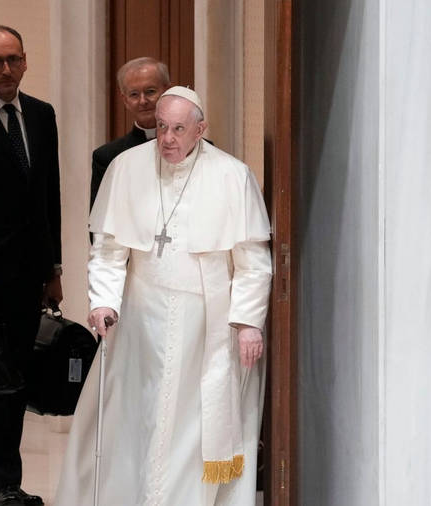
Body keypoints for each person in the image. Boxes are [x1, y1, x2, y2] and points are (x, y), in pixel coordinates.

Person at [55, 87, 272, 506]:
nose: (167, 139)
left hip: (207, 324)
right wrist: (103, 301)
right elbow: (109, 249)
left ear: (200, 130)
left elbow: (252, 261)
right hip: (139, 319)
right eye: (161, 127)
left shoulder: (232, 175)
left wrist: (248, 323)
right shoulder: (126, 167)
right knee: (137, 419)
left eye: (178, 129)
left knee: (193, 423)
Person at [0, 24, 62, 506]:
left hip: (30, 275)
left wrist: (54, 270)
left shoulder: (41, 115)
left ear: (25, 61)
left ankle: (7, 483)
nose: (6, 70)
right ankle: (0, 483)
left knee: (19, 380)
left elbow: (49, 198)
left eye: (13, 60)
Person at [90, 57, 171, 208]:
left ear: (166, 91)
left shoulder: (196, 148)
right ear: (125, 100)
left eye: (150, 91)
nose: (143, 101)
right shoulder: (108, 157)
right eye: (134, 94)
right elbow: (99, 223)